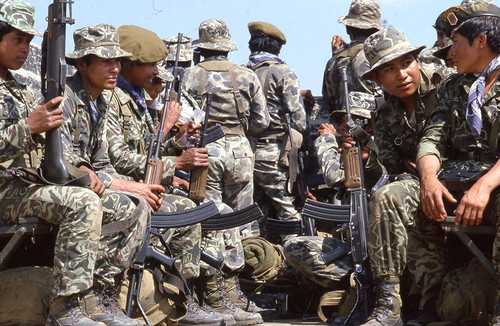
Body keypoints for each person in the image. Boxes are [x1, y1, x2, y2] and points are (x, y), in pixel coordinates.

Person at [0, 2, 145, 324]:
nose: (25, 48)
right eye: (17, 39)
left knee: (128, 206)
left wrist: (79, 172)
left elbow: (54, 150)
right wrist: (28, 127)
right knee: (81, 203)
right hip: (5, 191)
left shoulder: (18, 89)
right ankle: (66, 305)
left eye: (28, 40)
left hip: (26, 184)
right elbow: (30, 136)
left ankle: (97, 297)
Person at [60, 23, 156, 326]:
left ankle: (103, 293)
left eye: (117, 61)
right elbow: (61, 159)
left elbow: (103, 165)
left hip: (89, 183)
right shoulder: (66, 98)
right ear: (81, 64)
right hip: (66, 184)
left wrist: (135, 187)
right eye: (106, 61)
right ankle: (83, 297)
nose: (115, 68)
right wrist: (90, 172)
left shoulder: (99, 100)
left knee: (139, 202)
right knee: (124, 204)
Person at [360, 27, 455, 326]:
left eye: (406, 63)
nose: (401, 74)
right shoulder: (387, 115)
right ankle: (392, 303)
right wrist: (364, 155)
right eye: (389, 69)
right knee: (390, 195)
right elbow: (390, 169)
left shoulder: (448, 86)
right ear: (377, 79)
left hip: (464, 183)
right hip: (423, 192)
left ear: (417, 61)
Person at [416, 8, 500, 326]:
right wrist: (428, 180)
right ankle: (420, 298)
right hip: (455, 182)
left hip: (493, 187)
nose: (449, 52)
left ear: (481, 41)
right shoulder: (453, 88)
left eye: (455, 42)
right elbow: (431, 139)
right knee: (396, 195)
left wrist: (486, 185)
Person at [183, 18, 268, 325]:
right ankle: (237, 292)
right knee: (240, 222)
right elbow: (261, 122)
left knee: (212, 221)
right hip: (241, 151)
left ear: (202, 46)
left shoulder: (190, 74)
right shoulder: (246, 75)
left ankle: (214, 290)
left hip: (207, 151)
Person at [284, 91, 380, 290]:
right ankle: (355, 286)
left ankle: (373, 286)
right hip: (356, 246)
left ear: (370, 126)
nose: (343, 128)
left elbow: (334, 177)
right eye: (343, 123)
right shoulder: (350, 155)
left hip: (382, 248)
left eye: (354, 122)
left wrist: (326, 141)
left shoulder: (378, 154)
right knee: (295, 248)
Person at [244, 21, 306, 235]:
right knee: (287, 207)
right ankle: (297, 255)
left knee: (251, 212)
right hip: (274, 153)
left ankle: (255, 255)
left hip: (245, 153)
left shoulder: (241, 72)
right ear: (277, 48)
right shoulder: (282, 72)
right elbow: (299, 119)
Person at [322, 0, 383, 115]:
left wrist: (336, 56)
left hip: (343, 129)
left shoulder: (333, 62)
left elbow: (328, 100)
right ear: (376, 30)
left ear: (348, 29)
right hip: (379, 127)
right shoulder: (380, 57)